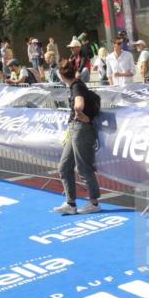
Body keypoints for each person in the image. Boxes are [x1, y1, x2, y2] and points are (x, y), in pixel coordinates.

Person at [53, 61, 101, 215]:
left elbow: (79, 105)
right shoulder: (76, 85)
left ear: (61, 76)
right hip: (75, 129)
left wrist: (79, 114)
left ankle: (94, 202)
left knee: (83, 168)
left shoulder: (76, 87)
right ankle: (70, 203)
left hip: (81, 129)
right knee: (64, 166)